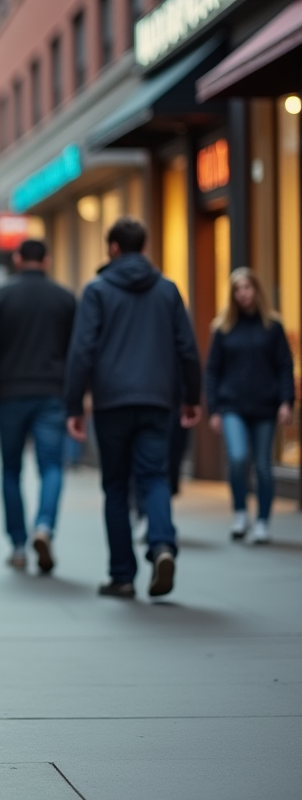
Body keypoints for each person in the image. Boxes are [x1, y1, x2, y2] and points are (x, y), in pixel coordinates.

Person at [64, 218, 202, 599]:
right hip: (158, 400)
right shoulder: (168, 290)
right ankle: (161, 546)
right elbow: (187, 348)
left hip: (111, 402)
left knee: (115, 486)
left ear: (112, 248)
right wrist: (192, 397)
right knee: (154, 477)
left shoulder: (97, 291)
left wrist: (74, 404)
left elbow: (81, 352)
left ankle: (122, 576)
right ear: (144, 247)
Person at [0, 239, 76, 573]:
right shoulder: (64, 298)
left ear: (17, 259)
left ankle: (19, 545)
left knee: (11, 469)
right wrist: (76, 397)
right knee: (52, 466)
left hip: (11, 394)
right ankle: (44, 526)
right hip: (52, 394)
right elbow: (75, 353)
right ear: (47, 259)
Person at [206, 267, 296, 544]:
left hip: (265, 406)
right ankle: (241, 512)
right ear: (232, 294)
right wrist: (214, 409)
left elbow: (284, 366)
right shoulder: (223, 328)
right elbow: (212, 370)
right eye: (238, 289)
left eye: (247, 287)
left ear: (256, 290)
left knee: (263, 465)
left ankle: (262, 521)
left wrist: (286, 401)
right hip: (232, 405)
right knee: (237, 457)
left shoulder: (273, 326)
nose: (243, 293)